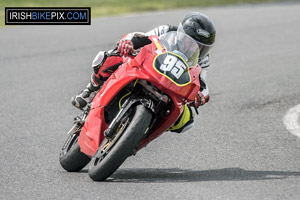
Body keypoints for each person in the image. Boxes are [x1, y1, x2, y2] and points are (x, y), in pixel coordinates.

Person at [71, 12, 216, 133]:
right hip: (146, 67)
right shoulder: (166, 30)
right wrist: (128, 42)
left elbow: (201, 82)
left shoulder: (202, 60)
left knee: (187, 121)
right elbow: (141, 37)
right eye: (190, 41)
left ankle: (146, 129)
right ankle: (90, 90)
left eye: (201, 46)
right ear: (180, 33)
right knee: (107, 58)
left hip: (170, 87)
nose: (193, 47)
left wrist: (202, 96)